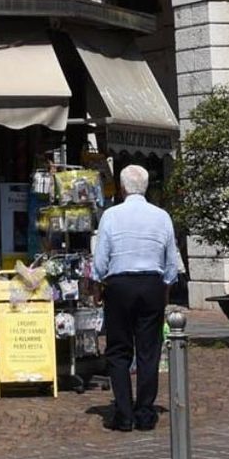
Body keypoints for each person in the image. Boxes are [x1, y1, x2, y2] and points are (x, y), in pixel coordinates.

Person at [91, 163, 183, 433]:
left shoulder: (111, 215)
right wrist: (166, 287)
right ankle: (144, 411)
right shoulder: (161, 216)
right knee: (148, 350)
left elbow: (102, 255)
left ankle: (123, 414)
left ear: (121, 189)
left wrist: (97, 284)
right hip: (151, 284)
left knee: (118, 350)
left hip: (119, 285)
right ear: (146, 188)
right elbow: (170, 257)